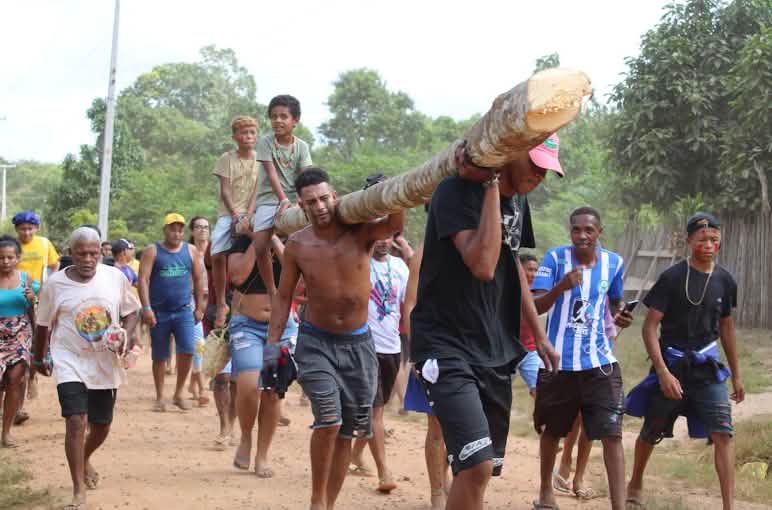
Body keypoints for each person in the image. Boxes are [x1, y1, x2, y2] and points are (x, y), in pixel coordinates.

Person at [410, 136, 562, 510]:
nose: (541, 175)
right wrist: (492, 185)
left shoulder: (519, 202)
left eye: (548, 168)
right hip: (445, 343)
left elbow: (509, 264)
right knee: (475, 463)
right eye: (535, 165)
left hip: (494, 346)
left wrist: (539, 335)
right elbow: (481, 264)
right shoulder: (454, 192)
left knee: (481, 470)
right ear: (508, 154)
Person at [265, 167, 403, 510]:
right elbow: (283, 297)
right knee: (329, 418)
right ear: (303, 205)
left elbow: (394, 226)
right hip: (316, 342)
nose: (320, 206)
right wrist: (272, 344)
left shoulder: (360, 232)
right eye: (312, 202)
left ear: (335, 196)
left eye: (325, 198)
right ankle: (316, 500)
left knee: (349, 430)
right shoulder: (298, 244)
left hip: (359, 344)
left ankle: (328, 503)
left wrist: (389, 193)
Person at [625, 213, 743, 510]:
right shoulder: (672, 277)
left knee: (723, 433)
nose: (708, 244)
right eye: (702, 239)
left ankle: (729, 504)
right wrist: (663, 372)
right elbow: (649, 326)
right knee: (652, 429)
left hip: (707, 369)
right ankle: (636, 480)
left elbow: (727, 328)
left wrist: (737, 375)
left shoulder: (726, 280)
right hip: (673, 366)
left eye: (714, 240)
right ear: (689, 241)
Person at [31, 226, 140, 510]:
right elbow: (43, 324)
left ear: (100, 253)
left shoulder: (114, 277)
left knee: (102, 426)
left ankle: (85, 456)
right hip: (69, 359)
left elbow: (132, 312)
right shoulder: (55, 284)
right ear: (71, 254)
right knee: (76, 421)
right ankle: (78, 489)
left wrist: (125, 335)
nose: (88, 259)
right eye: (82, 253)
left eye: (94, 253)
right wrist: (39, 357)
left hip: (104, 360)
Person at [531, 206, 632, 510]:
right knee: (552, 431)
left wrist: (621, 316)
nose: (582, 235)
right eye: (577, 229)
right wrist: (562, 286)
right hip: (559, 363)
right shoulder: (555, 259)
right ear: (570, 231)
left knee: (612, 434)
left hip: (601, 363)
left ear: (599, 232)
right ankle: (546, 491)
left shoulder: (614, 263)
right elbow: (535, 306)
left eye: (589, 230)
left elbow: (615, 301)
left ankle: (619, 505)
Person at [227, 234, 297, 477]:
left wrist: (275, 238)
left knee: (273, 392)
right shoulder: (242, 242)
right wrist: (257, 240)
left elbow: (296, 270)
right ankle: (246, 437)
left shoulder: (295, 238)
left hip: (281, 327)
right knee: (249, 384)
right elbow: (237, 277)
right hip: (247, 325)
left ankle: (263, 455)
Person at [350, 231, 410, 494]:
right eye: (379, 235)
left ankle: (355, 454)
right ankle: (384, 471)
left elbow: (408, 304)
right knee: (375, 412)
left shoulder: (399, 267)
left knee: (377, 410)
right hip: (365, 345)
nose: (383, 240)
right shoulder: (360, 262)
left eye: (388, 236)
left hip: (393, 347)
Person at [553, 296, 620, 500]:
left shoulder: (606, 286)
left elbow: (610, 325)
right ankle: (565, 462)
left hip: (600, 355)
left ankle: (578, 477)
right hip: (573, 355)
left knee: (590, 419)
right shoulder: (579, 285)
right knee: (576, 415)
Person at [401, 241, 452, 510]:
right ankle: (437, 493)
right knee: (437, 428)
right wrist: (417, 353)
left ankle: (447, 479)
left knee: (461, 427)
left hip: (468, 349)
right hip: (433, 347)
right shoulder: (424, 254)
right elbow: (410, 304)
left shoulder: (476, 246)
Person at [138, 213, 205, 412]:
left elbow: (199, 279)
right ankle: (160, 397)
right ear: (165, 230)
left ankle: (178, 393)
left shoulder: (190, 251)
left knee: (187, 351)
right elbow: (143, 279)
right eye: (172, 229)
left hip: (184, 311)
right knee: (160, 356)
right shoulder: (153, 251)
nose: (176, 233)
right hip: (159, 313)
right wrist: (147, 308)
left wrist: (200, 307)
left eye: (179, 229)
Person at [251, 95, 312, 301]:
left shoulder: (302, 146)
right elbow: (271, 173)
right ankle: (271, 290)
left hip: (296, 198)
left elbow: (305, 174)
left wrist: (302, 199)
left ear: (295, 121)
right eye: (274, 116)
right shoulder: (266, 143)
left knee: (310, 239)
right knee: (260, 245)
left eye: (283, 116)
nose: (278, 121)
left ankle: (307, 287)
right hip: (270, 199)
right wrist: (283, 199)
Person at [211, 115, 260, 328]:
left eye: (252, 133)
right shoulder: (227, 159)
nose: (248, 136)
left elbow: (258, 191)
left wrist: (248, 215)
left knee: (270, 240)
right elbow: (225, 190)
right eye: (244, 133)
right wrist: (235, 215)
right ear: (235, 137)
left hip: (253, 211)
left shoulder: (261, 160)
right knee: (217, 250)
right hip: (229, 212)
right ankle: (222, 301)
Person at [12, 210, 59, 422]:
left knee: (34, 342)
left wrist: (47, 285)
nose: (27, 232)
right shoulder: (12, 247)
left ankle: (29, 381)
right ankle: (15, 404)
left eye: (30, 228)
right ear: (16, 230)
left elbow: (53, 264)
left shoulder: (44, 243)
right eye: (23, 228)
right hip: (14, 296)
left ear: (36, 229)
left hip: (37, 296)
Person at [0, 236, 38, 447]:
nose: (5, 261)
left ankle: (6, 433)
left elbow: (39, 303)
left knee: (15, 381)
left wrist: (34, 297)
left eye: (9, 257)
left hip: (20, 334)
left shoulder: (27, 279)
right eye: (1, 258)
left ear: (17, 258)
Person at [187, 216, 210, 407]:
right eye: (198, 227)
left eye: (205, 227)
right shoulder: (187, 252)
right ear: (192, 231)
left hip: (214, 302)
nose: (202, 230)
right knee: (199, 344)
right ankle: (202, 388)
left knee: (208, 346)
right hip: (193, 303)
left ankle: (193, 384)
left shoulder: (216, 250)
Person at [516, 253, 544, 397]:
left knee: (540, 390)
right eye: (529, 269)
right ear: (519, 269)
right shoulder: (510, 287)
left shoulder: (538, 290)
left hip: (529, 350)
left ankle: (542, 419)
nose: (533, 274)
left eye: (535, 270)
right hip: (507, 350)